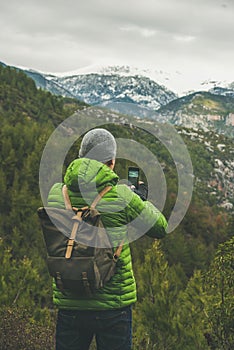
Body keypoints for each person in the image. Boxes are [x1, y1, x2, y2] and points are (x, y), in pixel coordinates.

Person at [47, 128, 168, 350]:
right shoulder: (122, 196)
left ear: (81, 156)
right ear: (111, 162)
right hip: (113, 306)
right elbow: (160, 227)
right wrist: (139, 200)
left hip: (70, 302)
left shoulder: (56, 193)